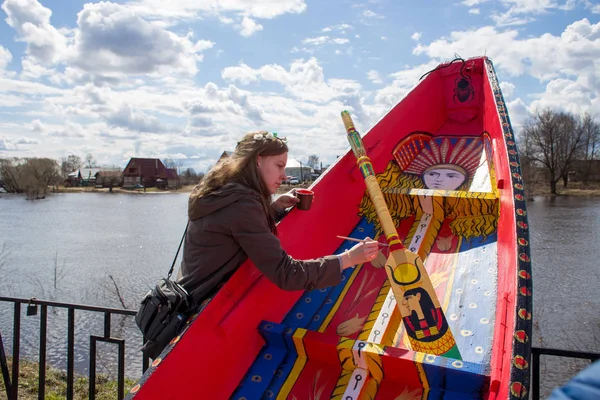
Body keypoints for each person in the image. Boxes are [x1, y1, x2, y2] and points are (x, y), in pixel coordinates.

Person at [176, 130, 379, 308]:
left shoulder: (222, 193)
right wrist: (349, 259)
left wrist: (274, 209)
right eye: (279, 166)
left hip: (189, 297)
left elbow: (234, 231)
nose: (284, 176)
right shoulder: (241, 205)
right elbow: (287, 273)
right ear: (257, 160)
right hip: (201, 311)